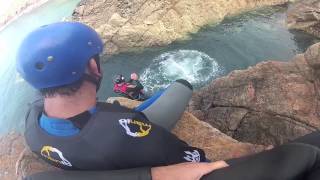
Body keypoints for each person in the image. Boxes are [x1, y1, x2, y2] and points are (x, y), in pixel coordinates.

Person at [17, 22, 207, 171]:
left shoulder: (31, 123)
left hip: (89, 142)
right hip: (114, 137)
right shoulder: (123, 133)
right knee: (182, 86)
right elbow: (193, 161)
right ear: (93, 66)